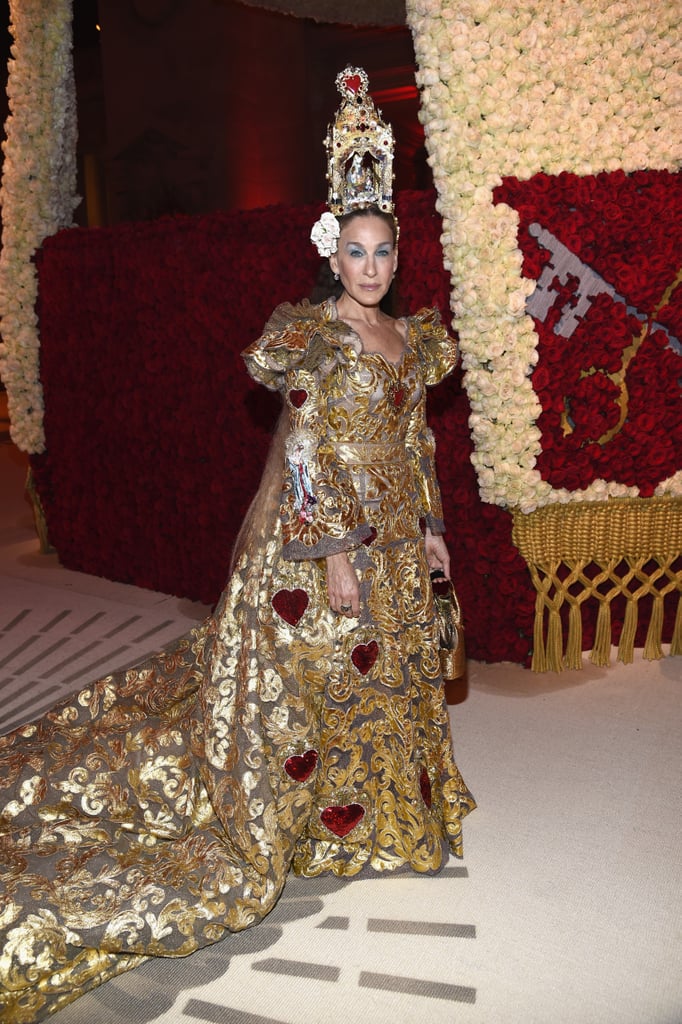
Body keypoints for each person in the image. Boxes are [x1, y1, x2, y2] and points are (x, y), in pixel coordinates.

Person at [0, 67, 474, 1022]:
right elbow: (300, 451)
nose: (372, 267)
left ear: (396, 254)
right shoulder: (309, 335)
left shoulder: (410, 339)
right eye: (356, 251)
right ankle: (303, 814)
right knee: (328, 670)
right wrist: (334, 551)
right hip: (324, 534)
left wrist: (428, 530)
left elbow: (419, 440)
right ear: (330, 254)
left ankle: (380, 812)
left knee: (394, 674)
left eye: (383, 250)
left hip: (394, 527)